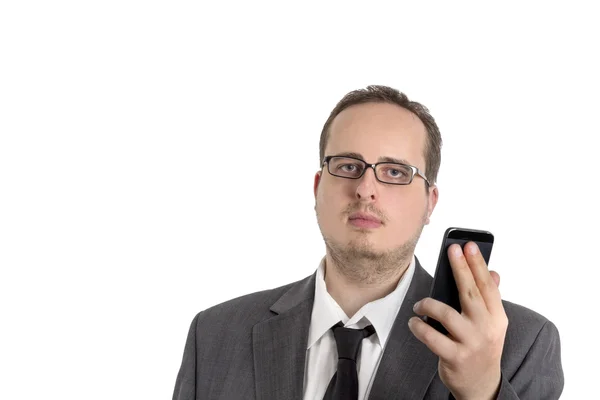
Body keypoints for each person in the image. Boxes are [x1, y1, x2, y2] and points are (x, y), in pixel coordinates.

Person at [172, 85, 564, 400]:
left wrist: (480, 393)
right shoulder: (215, 335)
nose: (365, 189)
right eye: (347, 166)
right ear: (317, 187)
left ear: (430, 203)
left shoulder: (522, 344)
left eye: (395, 171)